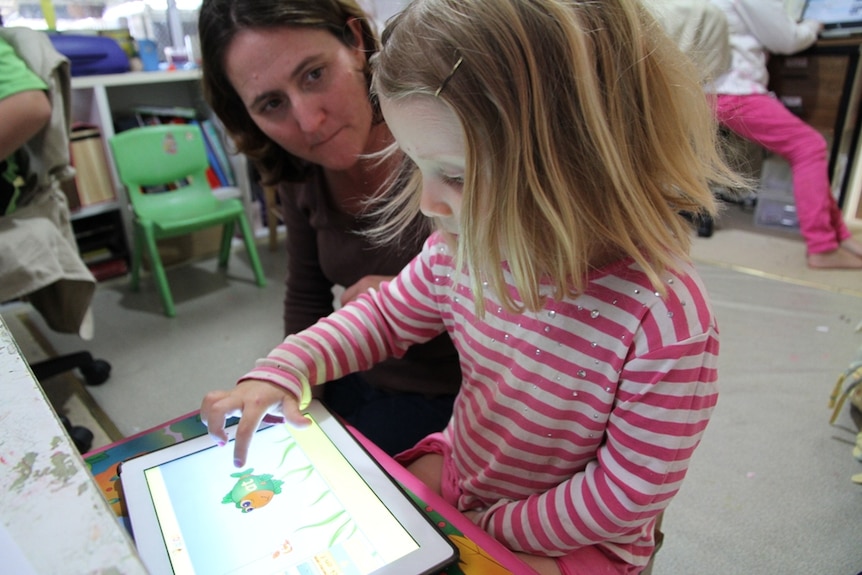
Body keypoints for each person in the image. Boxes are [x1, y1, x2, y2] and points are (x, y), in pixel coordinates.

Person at [201, 0, 745, 573]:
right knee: (366, 527)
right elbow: (380, 319)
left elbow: (625, 496)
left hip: (577, 534)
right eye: (417, 167)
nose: (428, 203)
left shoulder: (665, 320)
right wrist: (284, 367)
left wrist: (485, 527)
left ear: (578, 158)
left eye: (455, 175)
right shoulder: (459, 251)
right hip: (469, 468)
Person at [197, 0, 461, 455]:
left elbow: (543, 300)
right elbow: (306, 295)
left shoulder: (446, 145)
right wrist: (288, 386)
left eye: (314, 74)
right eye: (272, 103)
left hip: (460, 402)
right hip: (354, 378)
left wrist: (425, 295)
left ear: (356, 41)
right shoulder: (302, 173)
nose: (308, 121)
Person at [706, 0, 862, 269]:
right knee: (809, 146)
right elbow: (787, 39)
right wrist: (813, 25)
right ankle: (822, 247)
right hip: (731, 90)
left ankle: (839, 234)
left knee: (809, 145)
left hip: (707, 89)